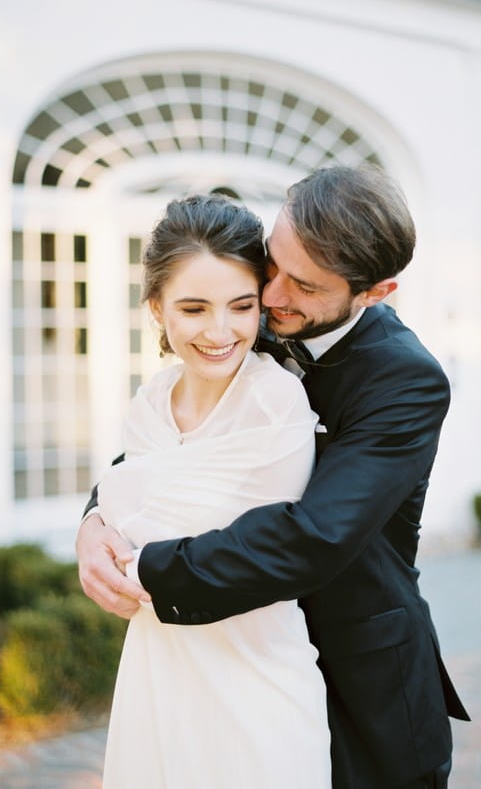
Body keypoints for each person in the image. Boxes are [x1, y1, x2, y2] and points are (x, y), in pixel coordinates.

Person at [78, 165, 470, 789]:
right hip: (232, 658)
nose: (272, 296)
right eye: (274, 263)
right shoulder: (241, 319)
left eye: (307, 285)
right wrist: (97, 518)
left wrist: (144, 570)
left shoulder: (406, 382)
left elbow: (314, 535)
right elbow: (176, 446)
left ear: (376, 291)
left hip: (357, 676)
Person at [95, 194, 332, 788]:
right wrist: (93, 523)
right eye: (194, 308)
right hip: (157, 672)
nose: (220, 331)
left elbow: (269, 555)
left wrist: (118, 540)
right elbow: (123, 500)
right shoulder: (149, 403)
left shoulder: (274, 402)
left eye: (241, 306)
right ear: (156, 308)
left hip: (255, 680)